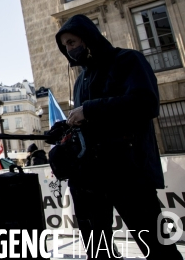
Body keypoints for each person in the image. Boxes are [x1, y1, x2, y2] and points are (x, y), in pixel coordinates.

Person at [55, 14, 183, 260]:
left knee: (157, 248)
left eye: (71, 42)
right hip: (89, 179)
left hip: (128, 173)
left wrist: (89, 110)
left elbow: (146, 103)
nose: (69, 50)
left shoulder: (128, 60)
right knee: (99, 251)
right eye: (65, 46)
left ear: (88, 37)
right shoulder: (81, 79)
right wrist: (64, 127)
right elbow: (88, 123)